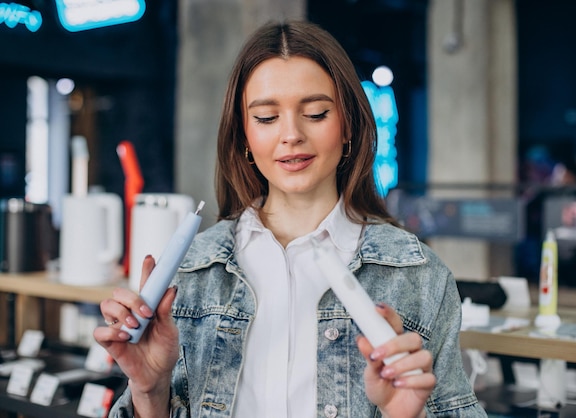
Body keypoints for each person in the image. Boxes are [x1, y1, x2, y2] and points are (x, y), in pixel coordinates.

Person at [95, 20, 487, 418]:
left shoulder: (420, 278)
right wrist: (149, 393)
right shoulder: (189, 272)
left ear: (348, 124)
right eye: (266, 118)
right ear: (244, 135)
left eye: (315, 113)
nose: (291, 135)